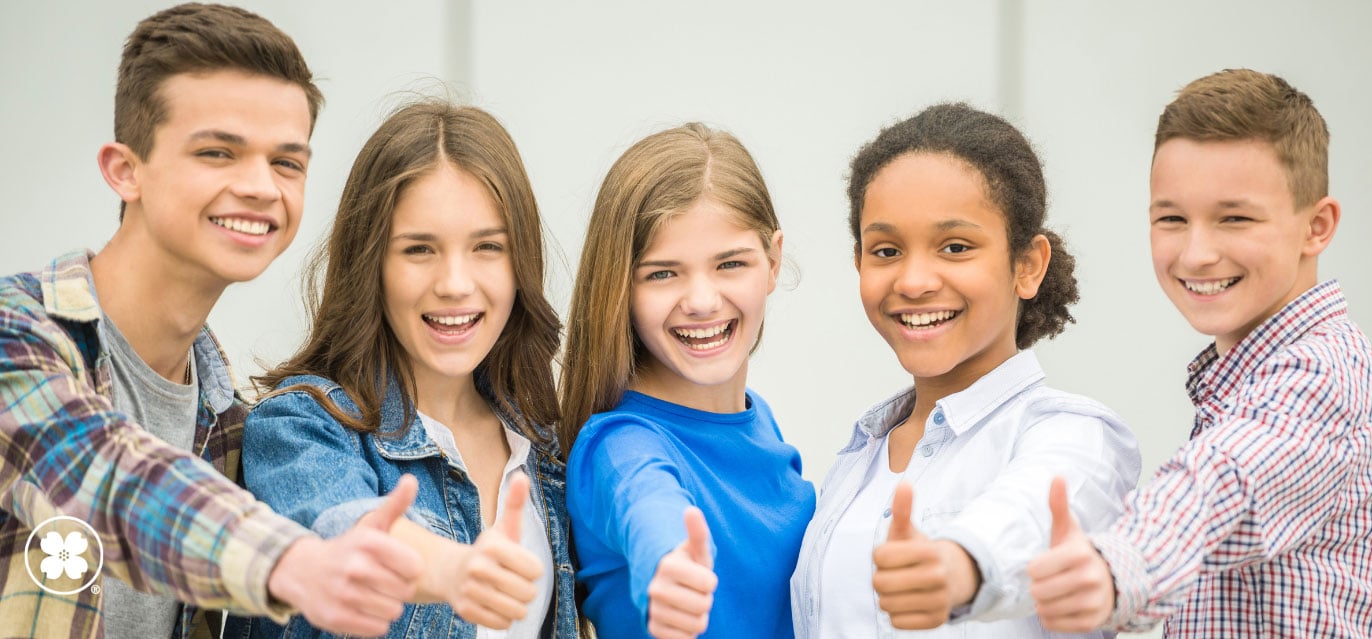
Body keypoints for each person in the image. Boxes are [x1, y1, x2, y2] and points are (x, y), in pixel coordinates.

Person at [0, 4, 427, 638]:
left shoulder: (227, 420)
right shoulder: (18, 334)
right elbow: (103, 475)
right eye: (219, 152)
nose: (260, 186)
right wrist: (294, 561)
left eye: (287, 162)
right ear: (125, 170)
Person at [1028, 69, 1372, 637]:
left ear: (1316, 227)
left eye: (1235, 218)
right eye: (1172, 218)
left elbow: (1222, 484)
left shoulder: (1322, 373)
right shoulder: (1243, 378)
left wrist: (1113, 566)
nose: (1196, 253)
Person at [228, 100, 578, 638]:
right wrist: (449, 569)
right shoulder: (302, 428)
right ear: (372, 265)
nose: (455, 283)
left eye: (487, 247)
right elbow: (346, 534)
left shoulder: (546, 450)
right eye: (419, 249)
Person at [790, 103, 1140, 638]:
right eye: (886, 250)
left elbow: (1029, 518)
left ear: (1027, 265)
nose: (913, 280)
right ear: (859, 262)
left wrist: (958, 566)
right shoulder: (858, 459)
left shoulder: (1075, 437)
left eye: (955, 247)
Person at [560, 122, 816, 639]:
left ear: (773, 260)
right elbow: (651, 508)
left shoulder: (756, 418)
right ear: (620, 287)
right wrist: (671, 566)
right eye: (662, 273)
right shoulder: (619, 444)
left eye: (730, 264)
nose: (701, 300)